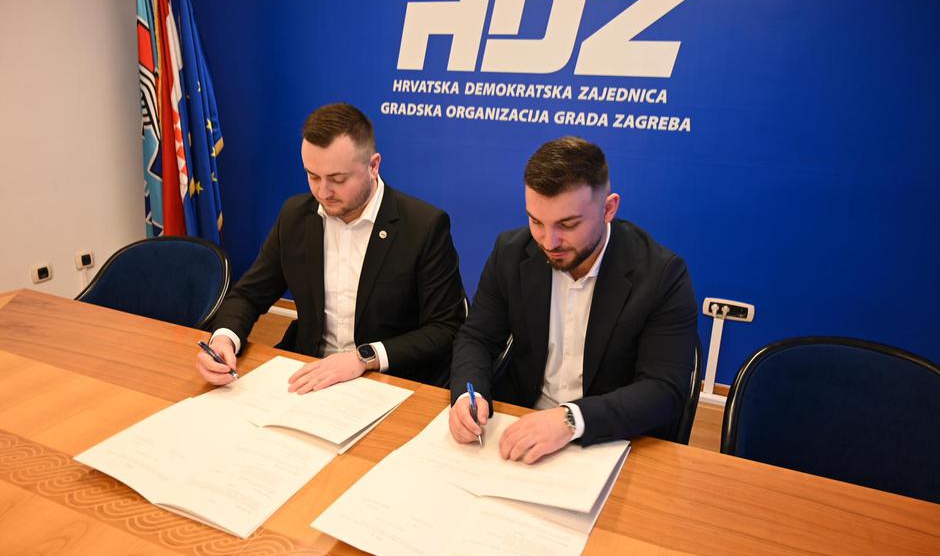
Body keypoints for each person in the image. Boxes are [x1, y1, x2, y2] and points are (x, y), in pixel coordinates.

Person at [449, 136, 698, 463]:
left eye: (567, 225)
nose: (548, 242)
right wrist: (468, 394)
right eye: (536, 221)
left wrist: (571, 419)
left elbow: (664, 389)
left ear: (608, 208)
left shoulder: (662, 274)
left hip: (608, 440)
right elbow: (477, 337)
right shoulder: (511, 252)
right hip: (520, 426)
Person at [197, 102, 465, 390]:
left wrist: (364, 357)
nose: (323, 192)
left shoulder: (423, 226)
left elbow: (445, 328)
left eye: (338, 179)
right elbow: (249, 295)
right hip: (308, 373)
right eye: (313, 176)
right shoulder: (295, 216)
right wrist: (223, 339)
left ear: (373, 166)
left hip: (389, 381)